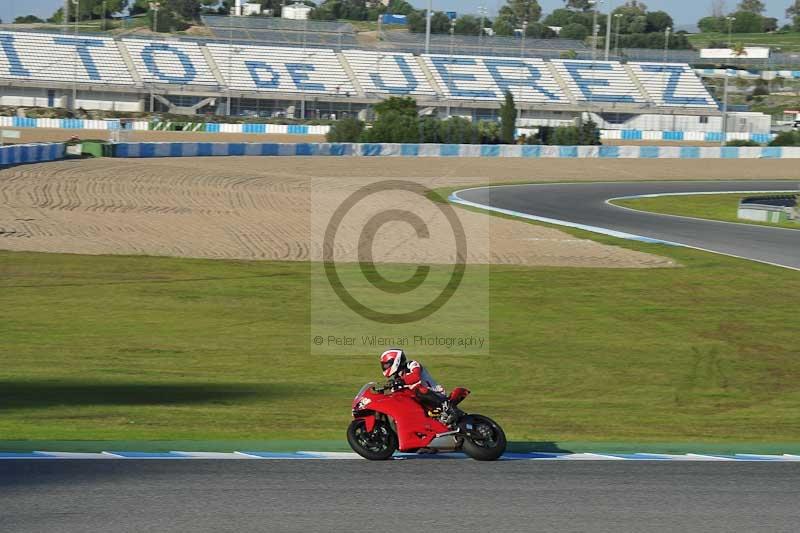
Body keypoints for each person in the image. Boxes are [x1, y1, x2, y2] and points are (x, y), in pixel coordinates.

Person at [379, 348, 460, 427]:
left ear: (396, 361)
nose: (385, 367)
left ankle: (446, 407)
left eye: (387, 364)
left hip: (435, 394)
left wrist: (399, 382)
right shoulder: (397, 379)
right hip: (421, 402)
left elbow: (415, 377)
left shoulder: (412, 364)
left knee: (417, 390)